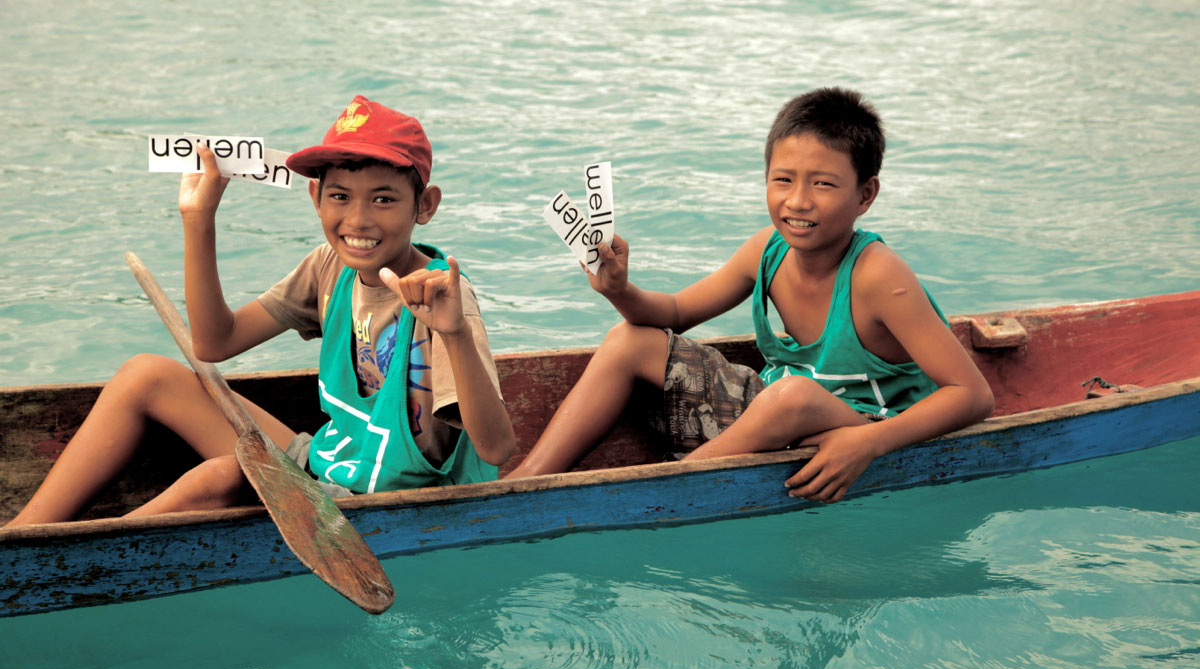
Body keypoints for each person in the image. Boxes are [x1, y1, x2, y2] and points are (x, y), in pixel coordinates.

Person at [6, 96, 514, 526]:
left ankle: (63, 562)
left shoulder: (441, 296)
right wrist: (199, 219)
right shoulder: (328, 268)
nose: (358, 219)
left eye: (384, 199)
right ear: (317, 197)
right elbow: (214, 343)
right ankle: (21, 539)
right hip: (325, 467)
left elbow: (495, 449)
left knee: (221, 478)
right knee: (146, 375)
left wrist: (455, 335)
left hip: (392, 507)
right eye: (340, 196)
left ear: (423, 206)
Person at [504, 87, 994, 503]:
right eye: (783, 180)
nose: (797, 201)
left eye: (823, 184)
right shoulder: (768, 250)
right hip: (772, 413)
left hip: (857, 426)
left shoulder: (879, 276)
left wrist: (868, 444)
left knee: (795, 396)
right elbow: (673, 313)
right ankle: (528, 482)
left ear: (865, 195)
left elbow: (972, 396)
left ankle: (663, 496)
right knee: (629, 338)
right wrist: (620, 289)